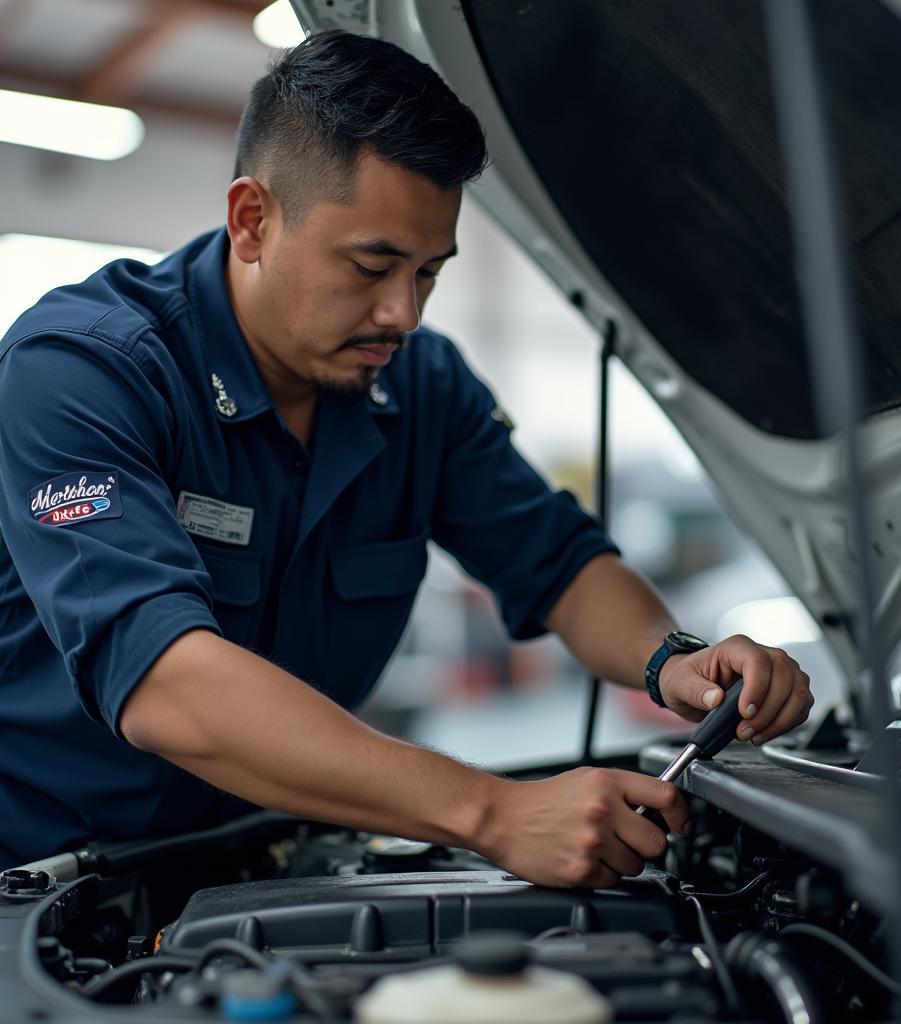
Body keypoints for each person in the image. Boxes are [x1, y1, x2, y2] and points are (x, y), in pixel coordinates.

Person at [0, 30, 812, 883]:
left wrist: (675, 659)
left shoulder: (421, 388)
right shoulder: (84, 371)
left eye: (429, 272)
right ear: (253, 220)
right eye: (372, 265)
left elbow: (558, 563)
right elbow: (166, 686)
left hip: (244, 867)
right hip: (33, 882)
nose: (404, 313)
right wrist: (494, 812)